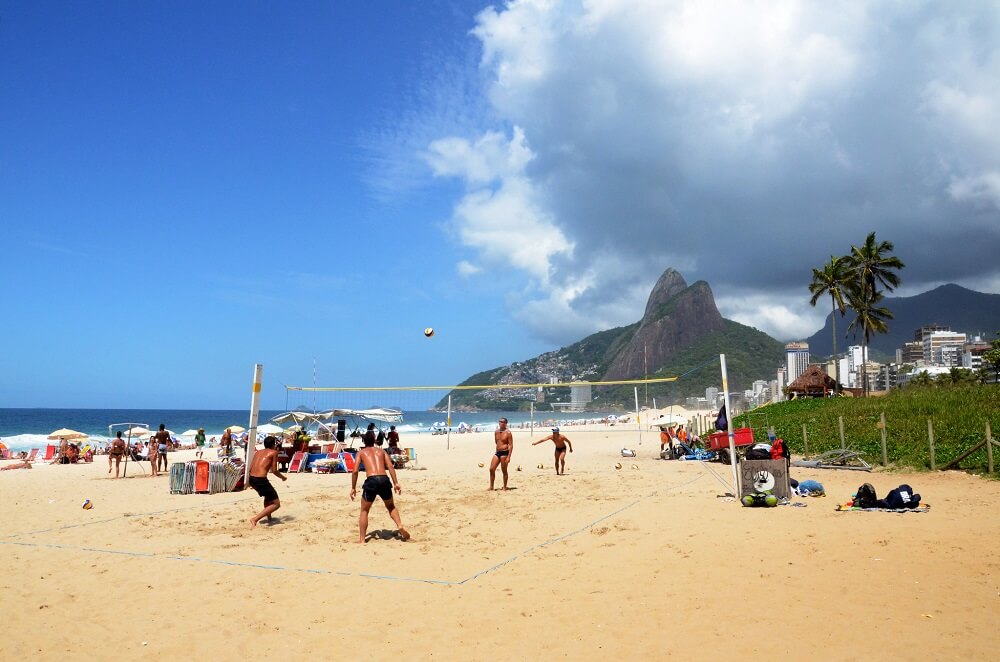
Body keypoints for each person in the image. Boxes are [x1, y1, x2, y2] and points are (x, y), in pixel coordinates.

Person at [350, 433, 409, 543]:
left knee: (364, 510)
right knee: (391, 506)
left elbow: (355, 471)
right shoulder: (382, 451)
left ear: (363, 441)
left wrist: (353, 488)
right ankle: (400, 526)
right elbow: (390, 466)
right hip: (384, 479)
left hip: (371, 480)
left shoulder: (361, 453)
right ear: (375, 440)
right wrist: (396, 483)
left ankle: (362, 540)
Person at [247, 436, 287, 528]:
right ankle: (255, 519)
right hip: (260, 480)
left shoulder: (258, 452)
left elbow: (252, 467)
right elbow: (274, 471)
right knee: (276, 504)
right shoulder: (274, 452)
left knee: (268, 497)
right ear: (273, 444)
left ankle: (269, 518)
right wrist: (283, 477)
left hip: (252, 478)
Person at [489, 417, 514, 491]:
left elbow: (511, 445)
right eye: (500, 421)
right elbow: (496, 442)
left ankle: (505, 487)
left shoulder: (508, 433)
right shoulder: (496, 432)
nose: (500, 423)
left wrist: (509, 456)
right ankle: (491, 487)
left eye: (502, 422)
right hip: (497, 452)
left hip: (505, 453)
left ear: (506, 423)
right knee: (491, 469)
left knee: (504, 471)